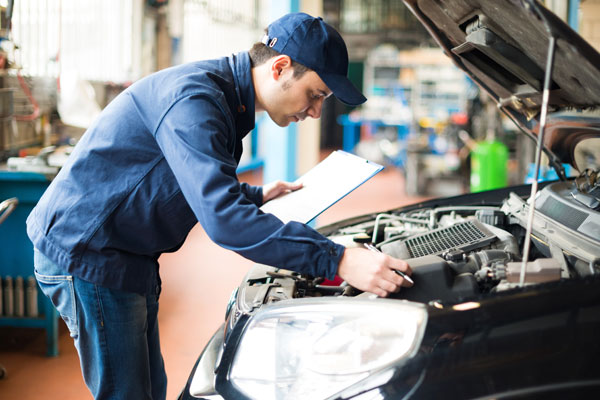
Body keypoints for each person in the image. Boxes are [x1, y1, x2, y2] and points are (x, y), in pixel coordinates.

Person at [27, 12, 413, 400]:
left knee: (148, 389)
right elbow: (224, 222)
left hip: (127, 251)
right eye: (315, 95)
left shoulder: (228, 102)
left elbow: (187, 179)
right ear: (280, 68)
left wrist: (257, 195)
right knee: (128, 393)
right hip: (88, 251)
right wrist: (339, 260)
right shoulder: (196, 100)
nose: (314, 112)